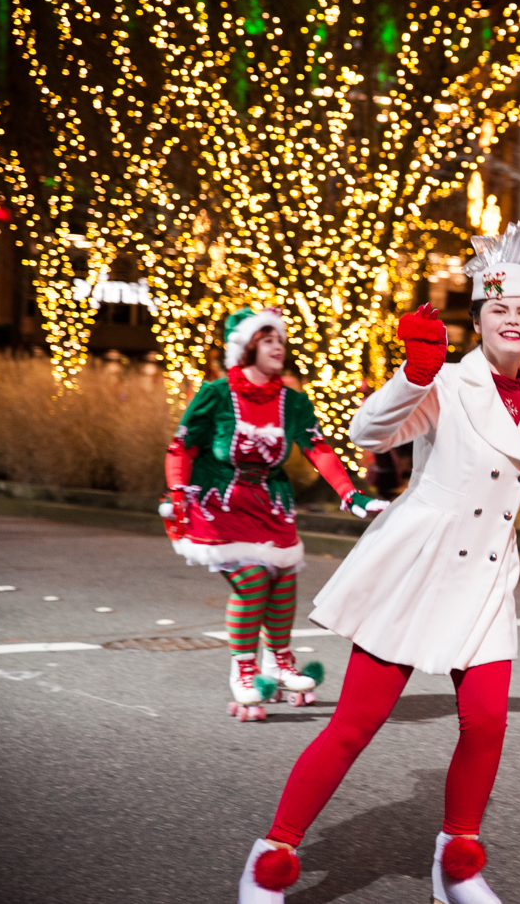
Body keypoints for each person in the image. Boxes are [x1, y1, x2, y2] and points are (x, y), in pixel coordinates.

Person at [233, 224, 520, 904]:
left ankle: (458, 865)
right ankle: (273, 855)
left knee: (488, 723)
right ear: (479, 321)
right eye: (499, 309)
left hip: (488, 577)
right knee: (355, 725)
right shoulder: (449, 381)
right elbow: (368, 433)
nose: (513, 320)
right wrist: (414, 373)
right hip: (422, 567)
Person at [160, 308, 385, 723]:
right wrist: (176, 492)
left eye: (280, 340)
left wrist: (350, 494)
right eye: (267, 341)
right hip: (220, 503)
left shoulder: (293, 401)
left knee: (283, 580)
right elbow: (183, 446)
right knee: (251, 579)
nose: (278, 347)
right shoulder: (215, 394)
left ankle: (278, 663)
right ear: (246, 349)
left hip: (269, 504)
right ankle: (244, 670)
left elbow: (317, 448)